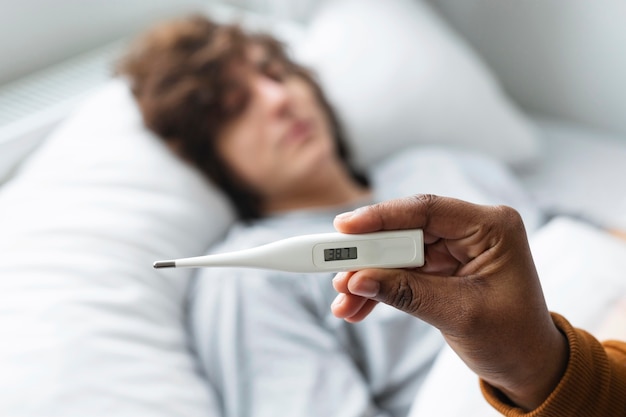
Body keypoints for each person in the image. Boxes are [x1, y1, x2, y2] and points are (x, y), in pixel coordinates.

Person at [116, 15, 542, 417]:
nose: (278, 99)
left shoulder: (439, 167)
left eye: (276, 74)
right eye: (235, 106)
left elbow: (577, 243)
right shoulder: (244, 280)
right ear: (212, 158)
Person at [331, 194, 626, 416]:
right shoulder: (285, 286)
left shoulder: (440, 160)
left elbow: (557, 218)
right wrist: (538, 369)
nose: (285, 109)